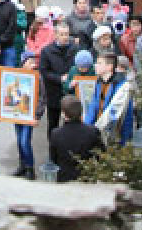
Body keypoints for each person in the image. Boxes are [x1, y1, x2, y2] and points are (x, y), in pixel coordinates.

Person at [39, 21, 80, 140]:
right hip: (54, 92)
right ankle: (53, 147)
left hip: (71, 92)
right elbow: (44, 71)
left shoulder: (75, 49)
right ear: (56, 35)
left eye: (66, 34)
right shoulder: (46, 51)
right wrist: (59, 78)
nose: (65, 37)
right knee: (53, 123)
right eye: (62, 34)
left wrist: (72, 77)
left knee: (71, 124)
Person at [49, 96, 103, 183]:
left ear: (63, 114)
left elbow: (53, 159)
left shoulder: (56, 134)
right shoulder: (93, 131)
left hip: (64, 179)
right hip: (87, 178)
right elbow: (101, 155)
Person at [85, 52, 133, 146]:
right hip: (97, 132)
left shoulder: (123, 87)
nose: (95, 65)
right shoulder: (99, 82)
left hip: (113, 136)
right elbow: (93, 107)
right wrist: (86, 129)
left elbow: (115, 115)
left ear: (109, 67)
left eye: (99, 63)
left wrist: (124, 142)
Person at [12, 49, 45, 180]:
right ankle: (22, 166)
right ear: (23, 62)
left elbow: (42, 98)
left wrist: (37, 115)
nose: (33, 64)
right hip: (17, 113)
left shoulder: (38, 77)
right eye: (30, 61)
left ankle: (30, 168)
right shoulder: (16, 75)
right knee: (19, 140)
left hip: (29, 115)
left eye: (34, 61)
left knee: (25, 141)